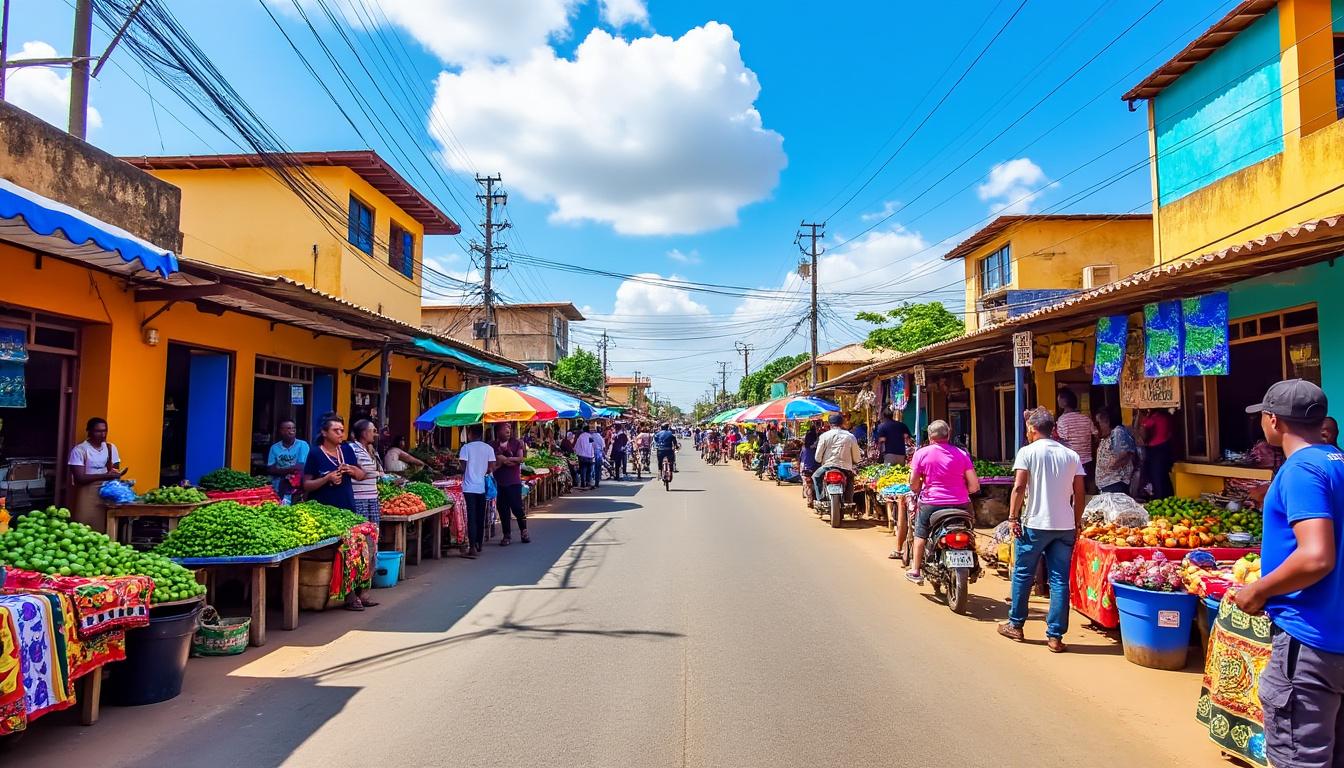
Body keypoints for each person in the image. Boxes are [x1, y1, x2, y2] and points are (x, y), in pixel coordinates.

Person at [1229, 380, 1343, 768]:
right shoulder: (1337, 462)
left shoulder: (1301, 470)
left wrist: (1259, 590)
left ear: (1273, 421)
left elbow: (1315, 557)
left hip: (1311, 638)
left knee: (1300, 757)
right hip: (1334, 634)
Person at [998, 408, 1086, 653]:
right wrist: (1077, 522)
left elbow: (1019, 487)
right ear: (1053, 430)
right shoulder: (1071, 455)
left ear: (1032, 429)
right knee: (1059, 580)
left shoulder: (1027, 452)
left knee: (1023, 575)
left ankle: (1016, 624)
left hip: (1034, 524)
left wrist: (1012, 517)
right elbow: (1079, 493)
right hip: (1065, 526)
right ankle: (1055, 636)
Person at [303, 416, 375, 610]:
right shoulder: (315, 454)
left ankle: (364, 592)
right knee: (348, 550)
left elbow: (361, 475)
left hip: (348, 510)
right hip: (324, 513)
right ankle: (351, 596)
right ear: (324, 433)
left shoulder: (347, 451)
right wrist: (326, 479)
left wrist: (351, 470)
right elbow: (307, 484)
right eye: (336, 430)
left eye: (342, 430)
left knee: (367, 545)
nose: (341, 433)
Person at [904, 420, 979, 584]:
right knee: (969, 531)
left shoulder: (921, 453)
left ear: (930, 436)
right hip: (961, 504)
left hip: (932, 504)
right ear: (949, 434)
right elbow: (974, 486)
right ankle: (975, 561)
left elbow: (914, 484)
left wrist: (918, 489)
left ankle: (916, 569)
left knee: (920, 532)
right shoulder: (962, 454)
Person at [68, 417, 127, 532]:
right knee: (82, 525)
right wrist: (107, 475)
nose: (103, 434)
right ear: (89, 432)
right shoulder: (80, 450)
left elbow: (114, 471)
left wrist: (114, 475)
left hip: (105, 492)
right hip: (86, 492)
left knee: (102, 526)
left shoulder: (110, 448)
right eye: (98, 431)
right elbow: (80, 478)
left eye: (105, 430)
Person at [457, 424, 497, 558]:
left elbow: (463, 467)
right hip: (482, 487)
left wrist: (471, 471)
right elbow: (491, 468)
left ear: (470, 433)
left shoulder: (466, 448)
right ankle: (479, 543)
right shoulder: (489, 449)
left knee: (472, 517)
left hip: (469, 487)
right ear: (481, 433)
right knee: (480, 516)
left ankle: (472, 547)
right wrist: (481, 471)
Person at [490, 422, 529, 546]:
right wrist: (503, 462)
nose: (508, 432)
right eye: (505, 430)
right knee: (503, 510)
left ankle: (524, 531)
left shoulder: (516, 443)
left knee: (517, 508)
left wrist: (505, 460)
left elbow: (520, 459)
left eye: (509, 430)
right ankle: (507, 535)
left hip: (513, 482)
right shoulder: (492, 445)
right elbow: (493, 463)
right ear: (498, 431)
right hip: (499, 483)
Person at [811, 413, 862, 502]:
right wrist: (855, 461)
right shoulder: (850, 436)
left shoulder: (824, 436)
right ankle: (849, 500)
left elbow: (818, 457)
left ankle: (820, 499)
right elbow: (857, 456)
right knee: (850, 479)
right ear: (842, 423)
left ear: (830, 424)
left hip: (827, 466)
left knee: (816, 476)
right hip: (845, 467)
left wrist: (820, 460)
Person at [1055, 389, 1097, 488]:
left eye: (1059, 398)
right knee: (1086, 490)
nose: (1058, 400)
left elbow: (1062, 441)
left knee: (1073, 492)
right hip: (1087, 462)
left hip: (1071, 462)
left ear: (1064, 402)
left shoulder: (1062, 420)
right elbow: (1096, 435)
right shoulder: (1086, 419)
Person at [1093, 409, 1138, 495]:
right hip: (1107, 484)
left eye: (1098, 422)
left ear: (1107, 422)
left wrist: (1110, 466)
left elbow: (1124, 454)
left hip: (1115, 484)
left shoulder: (1118, 432)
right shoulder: (1108, 435)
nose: (1097, 426)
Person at [265, 419, 309, 502]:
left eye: (293, 428)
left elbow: (300, 466)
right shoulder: (274, 448)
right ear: (281, 431)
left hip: (297, 487)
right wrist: (290, 470)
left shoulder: (302, 445)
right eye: (288, 428)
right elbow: (270, 469)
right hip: (277, 487)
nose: (292, 431)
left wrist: (280, 470)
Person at [1140, 407, 1176, 499]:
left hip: (1156, 450)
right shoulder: (1166, 417)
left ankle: (1160, 499)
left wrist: (1141, 419)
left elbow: (1143, 435)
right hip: (1165, 449)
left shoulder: (1154, 418)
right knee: (1163, 477)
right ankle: (1167, 498)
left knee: (1157, 478)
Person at [575, 424, 598, 489]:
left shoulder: (581, 436)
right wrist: (593, 454)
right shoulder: (590, 436)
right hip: (589, 456)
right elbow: (593, 445)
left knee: (583, 470)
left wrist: (577, 452)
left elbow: (577, 446)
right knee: (589, 470)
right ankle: (588, 482)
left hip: (582, 456)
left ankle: (583, 483)